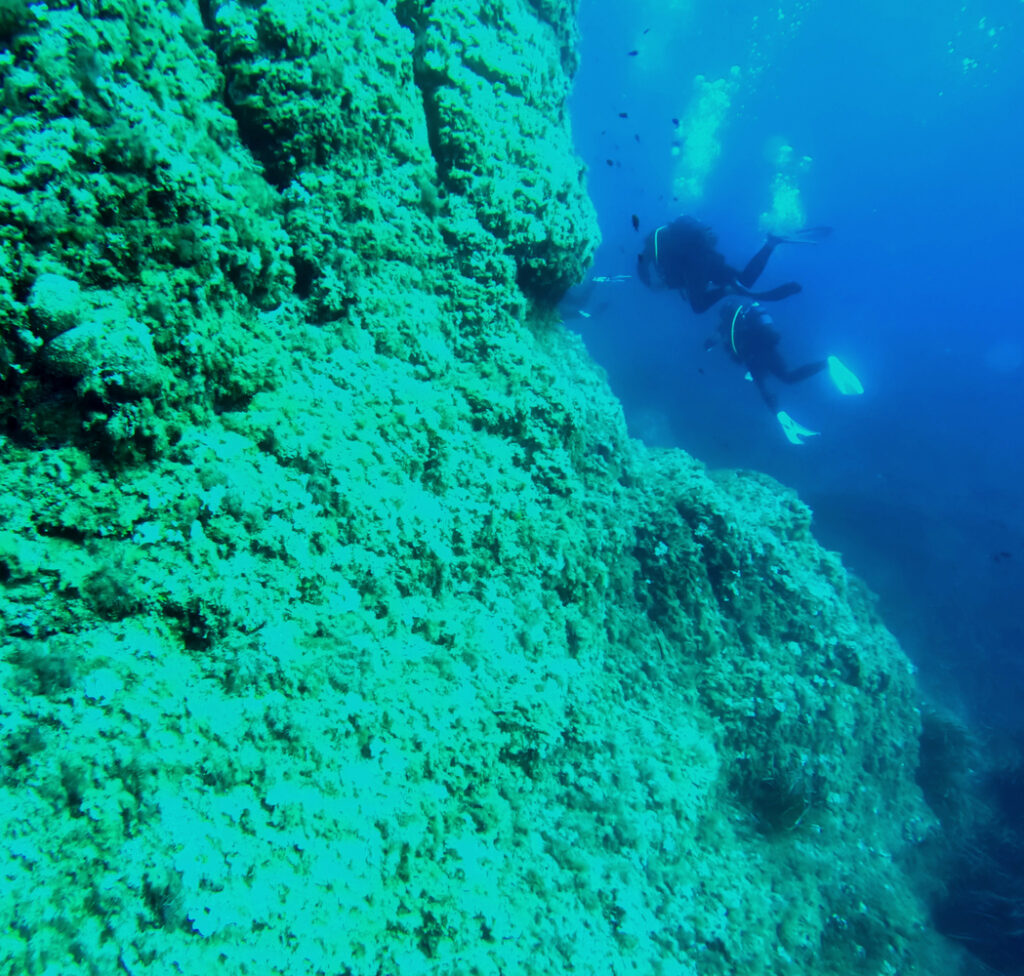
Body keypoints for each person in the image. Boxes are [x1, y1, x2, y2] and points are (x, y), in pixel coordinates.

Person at [707, 299, 863, 444]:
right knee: (789, 377)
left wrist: (708, 345)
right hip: (769, 351)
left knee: (763, 389)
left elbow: (716, 340)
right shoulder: (744, 317)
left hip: (754, 358)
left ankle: (779, 414)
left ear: (724, 315)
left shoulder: (727, 326)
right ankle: (826, 363)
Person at [636, 216, 828, 314]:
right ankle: (770, 244)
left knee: (698, 307)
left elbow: (643, 266)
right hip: (707, 258)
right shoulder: (666, 238)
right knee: (745, 281)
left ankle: (727, 290)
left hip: (696, 266)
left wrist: (649, 284)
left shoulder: (654, 243)